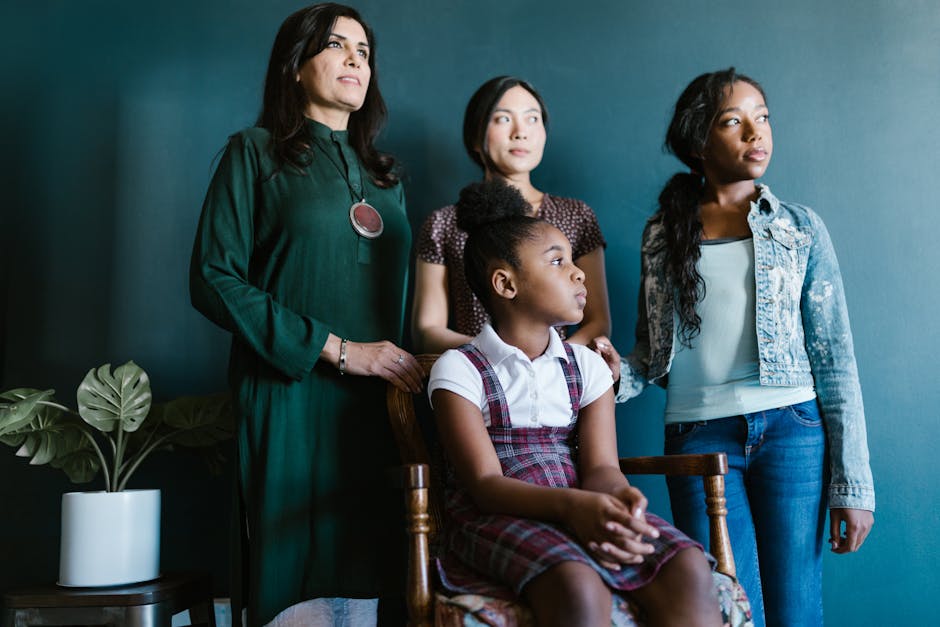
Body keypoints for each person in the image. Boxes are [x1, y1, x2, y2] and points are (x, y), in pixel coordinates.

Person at [593, 68, 875, 627]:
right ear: (699, 142)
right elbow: (653, 357)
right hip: (698, 440)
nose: (756, 132)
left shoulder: (801, 229)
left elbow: (835, 360)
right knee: (724, 612)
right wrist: (613, 370)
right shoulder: (662, 233)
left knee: (796, 612)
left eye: (763, 118)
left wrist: (853, 483)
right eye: (734, 121)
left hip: (794, 433)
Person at [189, 4, 422, 625]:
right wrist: (340, 350)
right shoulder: (255, 152)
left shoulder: (387, 178)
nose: (354, 60)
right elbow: (213, 278)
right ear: (296, 66)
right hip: (288, 391)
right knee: (295, 568)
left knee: (377, 568)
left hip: (380, 402)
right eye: (336, 45)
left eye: (364, 50)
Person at [427, 179, 722, 627]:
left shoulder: (587, 366)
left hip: (583, 502)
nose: (579, 272)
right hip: (496, 515)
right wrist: (574, 507)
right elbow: (484, 484)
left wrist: (621, 499)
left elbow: (602, 469)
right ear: (505, 283)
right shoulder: (459, 369)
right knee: (576, 581)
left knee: (687, 567)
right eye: (557, 261)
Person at [413, 76, 611, 353]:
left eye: (532, 119)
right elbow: (427, 331)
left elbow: (598, 322)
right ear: (475, 137)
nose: (520, 132)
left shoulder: (577, 215)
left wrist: (549, 364)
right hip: (475, 378)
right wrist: (499, 357)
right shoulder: (444, 223)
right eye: (503, 119)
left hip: (559, 383)